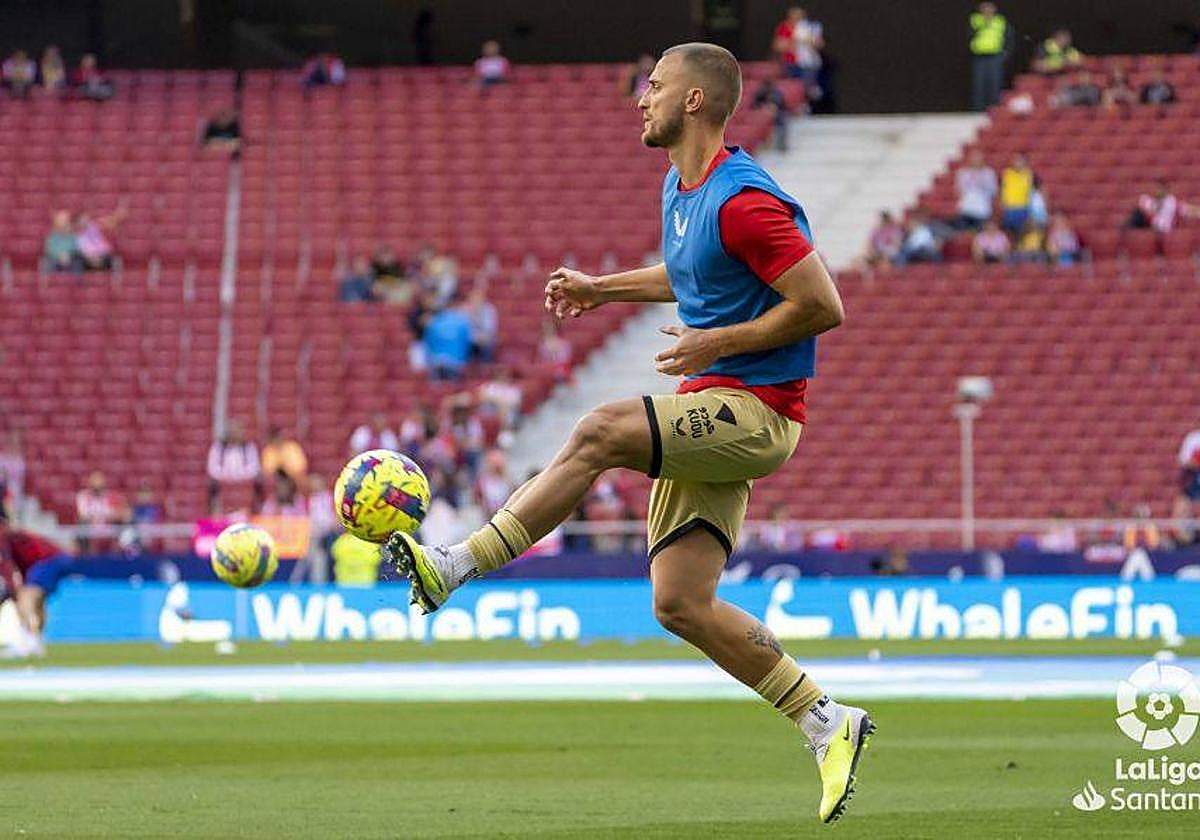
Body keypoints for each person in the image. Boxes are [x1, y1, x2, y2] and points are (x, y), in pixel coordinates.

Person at [383, 43, 871, 824]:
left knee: (599, 430)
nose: (640, 97)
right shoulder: (681, 188)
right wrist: (602, 289)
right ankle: (826, 720)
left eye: (654, 85)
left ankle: (455, 564)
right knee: (680, 603)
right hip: (713, 400)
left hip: (759, 411)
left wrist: (720, 342)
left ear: (694, 101)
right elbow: (690, 274)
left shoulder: (746, 199)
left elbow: (823, 304)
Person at [0, 520, 71, 659]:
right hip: (58, 559)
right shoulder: (11, 535)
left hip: (48, 561)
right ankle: (35, 642)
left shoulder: (3, 536)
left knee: (25, 596)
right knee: (36, 600)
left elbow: (7, 566)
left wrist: (12, 591)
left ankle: (26, 641)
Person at [206, 421, 261, 513]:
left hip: (245, 483)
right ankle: (215, 513)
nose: (234, 433)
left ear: (242, 432)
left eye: (237, 431)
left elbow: (254, 468)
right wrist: (227, 477)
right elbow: (212, 468)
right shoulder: (219, 447)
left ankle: (255, 512)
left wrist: (239, 477)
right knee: (211, 487)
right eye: (232, 431)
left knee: (258, 485)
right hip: (223, 482)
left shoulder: (249, 447)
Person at [968, 3, 1011, 111]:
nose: (987, 10)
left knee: (995, 83)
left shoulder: (1000, 21)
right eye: (984, 7)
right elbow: (967, 36)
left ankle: (994, 108)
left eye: (989, 7)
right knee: (979, 84)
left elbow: (1009, 38)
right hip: (979, 57)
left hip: (995, 57)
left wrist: (1005, 53)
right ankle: (978, 109)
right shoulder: (975, 20)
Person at [75, 471, 127, 553]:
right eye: (95, 480)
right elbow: (83, 514)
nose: (97, 483)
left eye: (100, 481)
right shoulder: (83, 495)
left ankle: (120, 553)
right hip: (91, 527)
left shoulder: (110, 496)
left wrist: (106, 515)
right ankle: (85, 554)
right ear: (90, 482)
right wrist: (101, 515)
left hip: (107, 525)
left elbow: (116, 513)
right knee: (82, 523)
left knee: (122, 522)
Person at [422, 300, 473, 381]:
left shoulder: (434, 321)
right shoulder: (463, 322)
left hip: (436, 362)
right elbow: (468, 343)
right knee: (453, 391)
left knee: (435, 391)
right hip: (455, 363)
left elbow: (428, 344)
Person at [76, 203, 128, 271]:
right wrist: (92, 258)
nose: (85, 221)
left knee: (114, 260)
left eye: (86, 218)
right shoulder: (76, 235)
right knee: (80, 262)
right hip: (88, 259)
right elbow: (81, 250)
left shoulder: (93, 225)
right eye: (82, 219)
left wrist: (117, 216)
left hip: (104, 255)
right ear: (78, 221)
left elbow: (109, 222)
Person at [751, 66, 792, 151]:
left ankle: (782, 145)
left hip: (777, 113)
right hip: (762, 113)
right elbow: (754, 105)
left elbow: (783, 104)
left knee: (782, 121)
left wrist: (774, 107)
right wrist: (764, 108)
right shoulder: (760, 91)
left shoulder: (776, 91)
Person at [954, 149, 998, 230]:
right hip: (966, 209)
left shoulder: (989, 173)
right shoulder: (963, 173)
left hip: (982, 210)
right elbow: (959, 190)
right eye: (974, 158)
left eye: (978, 158)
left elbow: (993, 191)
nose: (976, 161)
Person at [1173, 423, 1200, 545]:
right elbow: (1184, 461)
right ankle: (1185, 542)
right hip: (1193, 479)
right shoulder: (1193, 438)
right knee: (1181, 509)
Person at [999, 153, 1034, 234]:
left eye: (1020, 160)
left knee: (1021, 231)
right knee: (1008, 232)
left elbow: (1034, 192)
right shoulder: (1006, 174)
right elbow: (1001, 189)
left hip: (1023, 207)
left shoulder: (1029, 174)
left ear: (1025, 162)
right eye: (1016, 160)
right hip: (1008, 208)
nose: (1017, 162)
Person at [466, 285, 498, 362]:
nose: (475, 301)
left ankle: (485, 368)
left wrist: (478, 315)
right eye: (473, 298)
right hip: (470, 340)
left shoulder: (489, 310)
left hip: (484, 340)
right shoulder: (465, 310)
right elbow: (465, 329)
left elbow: (490, 329)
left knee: (487, 345)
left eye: (478, 298)